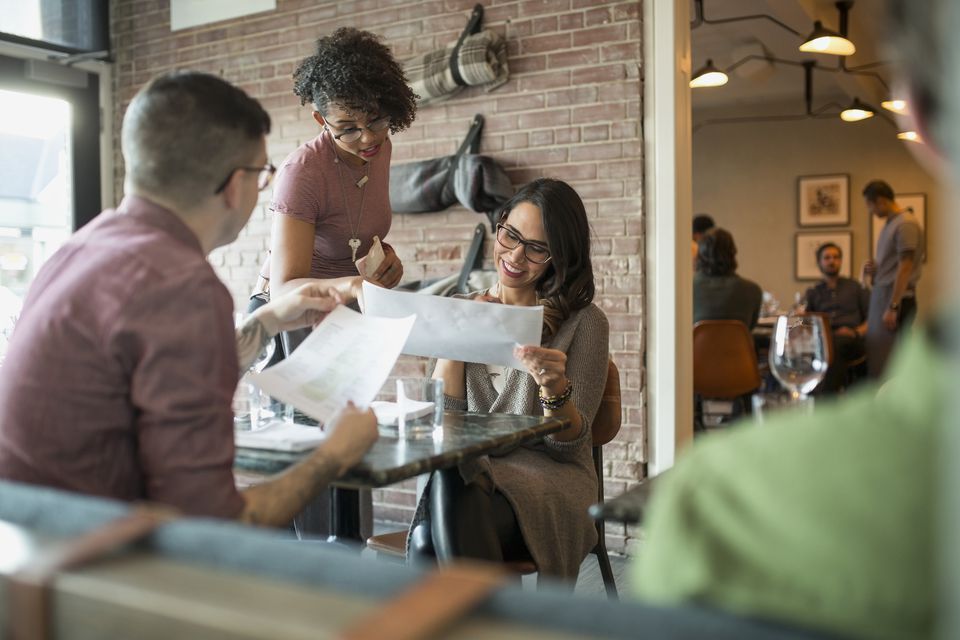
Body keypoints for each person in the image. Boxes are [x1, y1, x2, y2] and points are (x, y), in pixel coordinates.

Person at [632, 1, 948, 636]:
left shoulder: (718, 507)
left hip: (706, 382)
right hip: (753, 377)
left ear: (915, 111)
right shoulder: (753, 290)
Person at [0, 71, 378, 526]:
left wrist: (270, 320)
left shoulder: (81, 248)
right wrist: (336, 453)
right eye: (263, 175)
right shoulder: (182, 285)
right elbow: (215, 525)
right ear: (236, 185)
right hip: (83, 562)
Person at [408, 178, 609, 581]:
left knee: (429, 535)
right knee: (451, 481)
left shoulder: (584, 323)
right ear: (499, 225)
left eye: (536, 248)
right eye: (511, 235)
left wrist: (553, 388)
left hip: (549, 476)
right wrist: (457, 342)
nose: (515, 255)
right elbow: (446, 428)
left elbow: (569, 444)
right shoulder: (461, 309)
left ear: (559, 257)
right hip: (470, 472)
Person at [268, 27, 417, 309]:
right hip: (294, 317)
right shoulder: (302, 173)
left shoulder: (380, 149)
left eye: (376, 120)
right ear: (320, 120)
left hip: (347, 308)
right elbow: (282, 289)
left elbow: (352, 231)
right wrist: (354, 284)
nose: (368, 137)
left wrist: (385, 261)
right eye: (347, 129)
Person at [860, 179, 924, 378]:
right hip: (883, 295)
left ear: (880, 201)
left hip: (895, 299)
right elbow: (894, 265)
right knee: (878, 357)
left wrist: (893, 306)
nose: (871, 211)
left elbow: (905, 267)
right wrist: (876, 269)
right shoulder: (891, 224)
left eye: (870, 205)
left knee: (889, 364)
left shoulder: (905, 224)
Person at [804, 242, 869, 393]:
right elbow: (806, 322)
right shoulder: (813, 292)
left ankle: (826, 400)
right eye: (827, 258)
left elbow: (872, 317)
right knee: (800, 348)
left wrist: (856, 332)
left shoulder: (855, 287)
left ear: (840, 261)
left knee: (834, 345)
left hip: (852, 339)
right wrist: (800, 318)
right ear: (819, 262)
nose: (832, 261)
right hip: (823, 340)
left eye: (836, 257)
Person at [693, 228, 763, 329]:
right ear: (732, 253)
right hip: (738, 345)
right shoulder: (753, 290)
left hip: (697, 345)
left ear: (700, 256)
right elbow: (749, 329)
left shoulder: (688, 289)